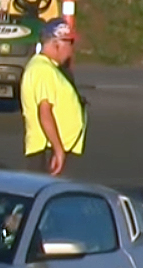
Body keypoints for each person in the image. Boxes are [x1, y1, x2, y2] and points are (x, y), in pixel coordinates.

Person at [20, 18, 87, 176]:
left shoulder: (48, 68)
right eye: (69, 43)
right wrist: (58, 151)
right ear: (57, 43)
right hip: (47, 151)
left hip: (52, 150)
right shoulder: (43, 70)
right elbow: (45, 113)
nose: (71, 50)